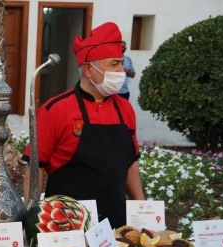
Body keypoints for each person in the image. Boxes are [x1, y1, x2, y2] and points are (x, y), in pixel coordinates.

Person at [22, 22, 144, 228]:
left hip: (116, 224)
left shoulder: (125, 109)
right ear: (88, 69)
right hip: (67, 225)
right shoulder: (56, 109)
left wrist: (142, 210)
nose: (121, 71)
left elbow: (130, 162)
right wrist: (32, 220)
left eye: (121, 64)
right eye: (114, 64)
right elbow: (36, 169)